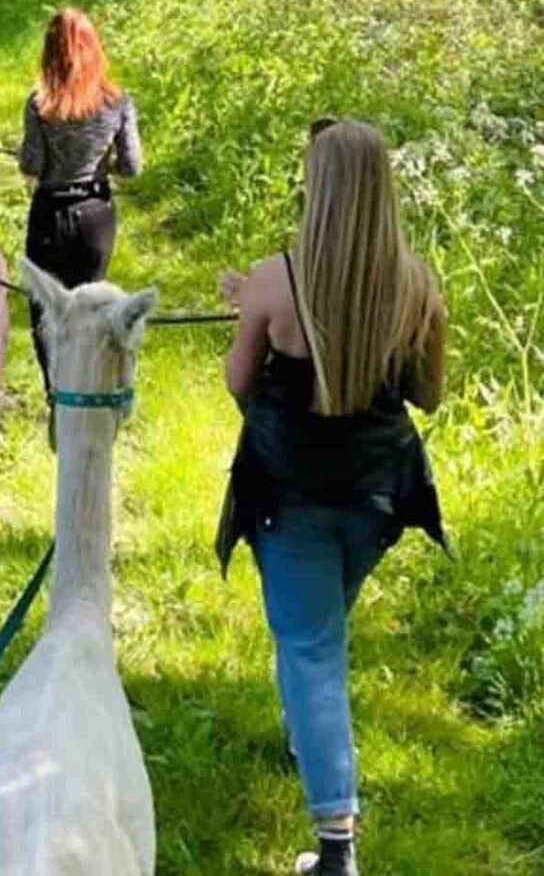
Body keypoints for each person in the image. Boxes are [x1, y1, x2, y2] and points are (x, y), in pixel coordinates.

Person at [216, 120, 447, 876]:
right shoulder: (417, 283)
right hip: (379, 497)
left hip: (294, 495)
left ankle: (337, 846)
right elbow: (429, 395)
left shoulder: (274, 277)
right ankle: (305, 738)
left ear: (320, 189)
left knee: (313, 648)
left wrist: (250, 309)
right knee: (312, 630)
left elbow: (240, 383)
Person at [19, 7, 142, 395]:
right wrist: (102, 163)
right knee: (89, 303)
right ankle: (87, 383)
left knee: (44, 306)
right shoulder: (118, 102)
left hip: (50, 213)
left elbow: (32, 164)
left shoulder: (39, 104)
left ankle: (55, 388)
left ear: (51, 53)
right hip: (95, 217)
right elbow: (132, 166)